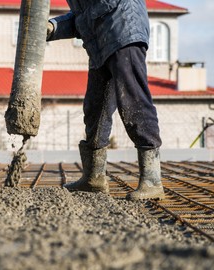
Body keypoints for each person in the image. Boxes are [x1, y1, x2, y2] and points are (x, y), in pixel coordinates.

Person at [46, 0, 165, 200]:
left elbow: (97, 8)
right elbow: (83, 16)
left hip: (123, 31)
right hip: (100, 43)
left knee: (133, 101)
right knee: (95, 109)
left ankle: (152, 180)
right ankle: (94, 178)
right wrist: (54, 27)